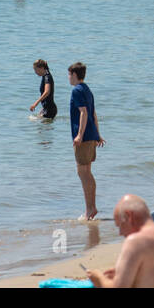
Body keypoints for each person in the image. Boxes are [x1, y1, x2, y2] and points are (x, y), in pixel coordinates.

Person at [84, 195, 154, 289]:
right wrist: (128, 272)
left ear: (129, 216)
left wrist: (98, 278)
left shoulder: (136, 241)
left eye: (120, 225)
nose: (120, 233)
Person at [68, 62, 103, 221]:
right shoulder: (87, 90)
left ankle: (90, 209)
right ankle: (90, 208)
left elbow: (84, 113)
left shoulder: (76, 90)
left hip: (84, 137)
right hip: (91, 135)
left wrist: (79, 135)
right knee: (86, 172)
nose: (68, 78)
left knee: (83, 172)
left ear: (74, 74)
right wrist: (98, 134)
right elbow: (93, 114)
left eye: (69, 74)